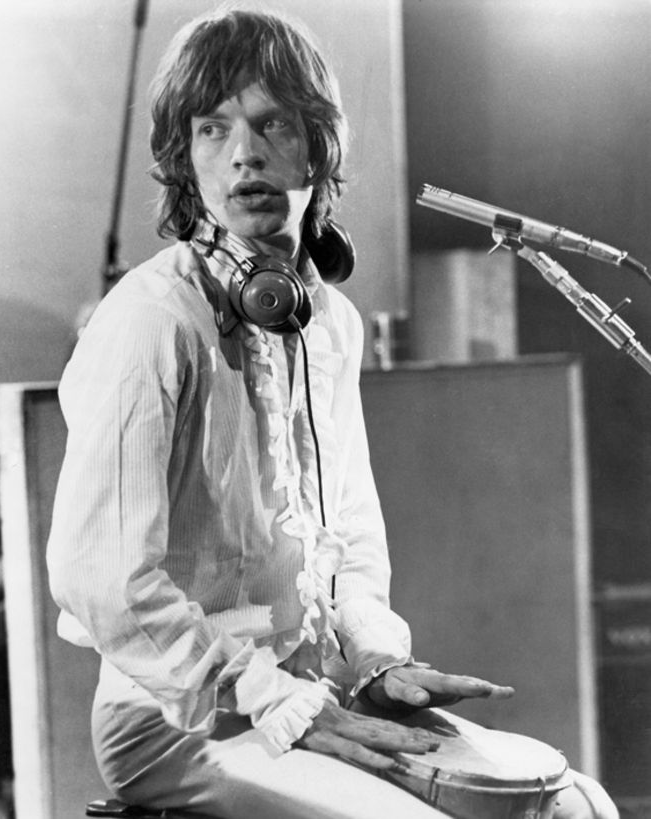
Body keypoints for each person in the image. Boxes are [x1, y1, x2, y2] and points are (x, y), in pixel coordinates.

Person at [47, 9, 617, 819]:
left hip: (317, 691)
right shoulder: (149, 321)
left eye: (272, 123)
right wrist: (274, 697)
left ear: (318, 145)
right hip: (176, 722)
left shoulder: (330, 325)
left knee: (573, 804)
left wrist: (377, 659)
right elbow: (103, 579)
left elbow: (347, 532)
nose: (244, 153)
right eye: (213, 129)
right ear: (185, 161)